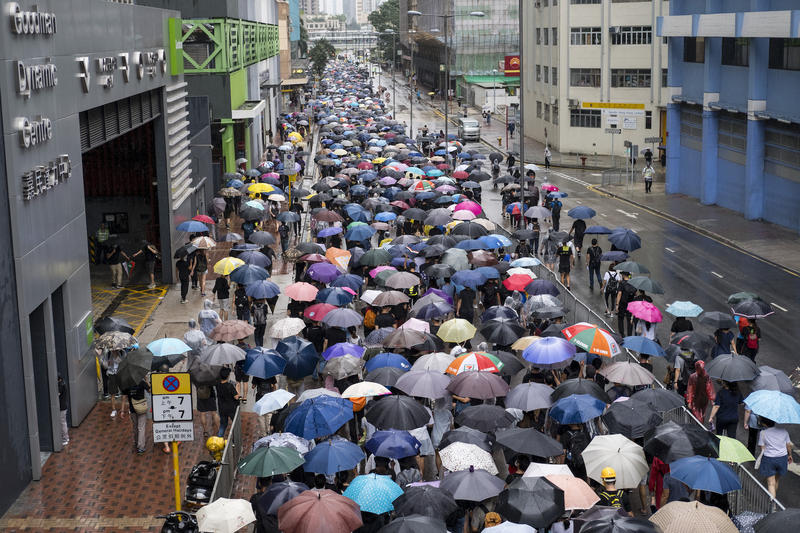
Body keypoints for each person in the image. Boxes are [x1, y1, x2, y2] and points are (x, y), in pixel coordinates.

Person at [758, 418, 792, 498]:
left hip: (769, 459)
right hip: (782, 458)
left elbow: (762, 448)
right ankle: (774, 498)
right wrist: (789, 455)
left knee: (770, 483)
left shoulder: (763, 433)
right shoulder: (784, 431)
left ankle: (772, 506)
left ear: (764, 424)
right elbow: (788, 445)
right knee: (776, 480)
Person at [123, 377, 150, 454]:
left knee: (135, 426)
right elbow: (149, 390)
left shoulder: (126, 384)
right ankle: (141, 447)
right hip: (141, 408)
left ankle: (136, 442)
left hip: (132, 409)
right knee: (141, 427)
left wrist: (122, 410)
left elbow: (124, 397)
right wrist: (147, 380)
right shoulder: (141, 382)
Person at [216, 367, 240, 438]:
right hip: (231, 408)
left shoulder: (218, 385)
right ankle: (234, 440)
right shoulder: (230, 386)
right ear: (227, 376)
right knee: (234, 425)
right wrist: (237, 388)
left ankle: (219, 439)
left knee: (223, 425)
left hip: (222, 408)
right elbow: (236, 397)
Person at [102, 350, 124, 417]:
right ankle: (114, 410)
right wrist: (105, 362)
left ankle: (122, 409)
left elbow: (124, 363)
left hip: (120, 373)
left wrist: (116, 356)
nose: (113, 349)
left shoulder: (122, 353)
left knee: (124, 392)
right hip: (111, 374)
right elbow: (105, 366)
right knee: (112, 393)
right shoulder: (108, 353)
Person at [615, 272, 636, 336]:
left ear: (624, 275)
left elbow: (619, 294)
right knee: (629, 319)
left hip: (622, 304)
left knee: (620, 318)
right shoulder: (633, 283)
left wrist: (617, 304)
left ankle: (622, 334)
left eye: (622, 274)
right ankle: (629, 335)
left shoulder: (622, 283)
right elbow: (635, 294)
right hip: (631, 304)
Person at [58, 374, 69, 447]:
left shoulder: (61, 385)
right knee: (63, 422)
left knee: (62, 423)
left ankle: (65, 438)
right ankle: (66, 437)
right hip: (64, 405)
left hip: (62, 407)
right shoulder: (63, 383)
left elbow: (57, 394)